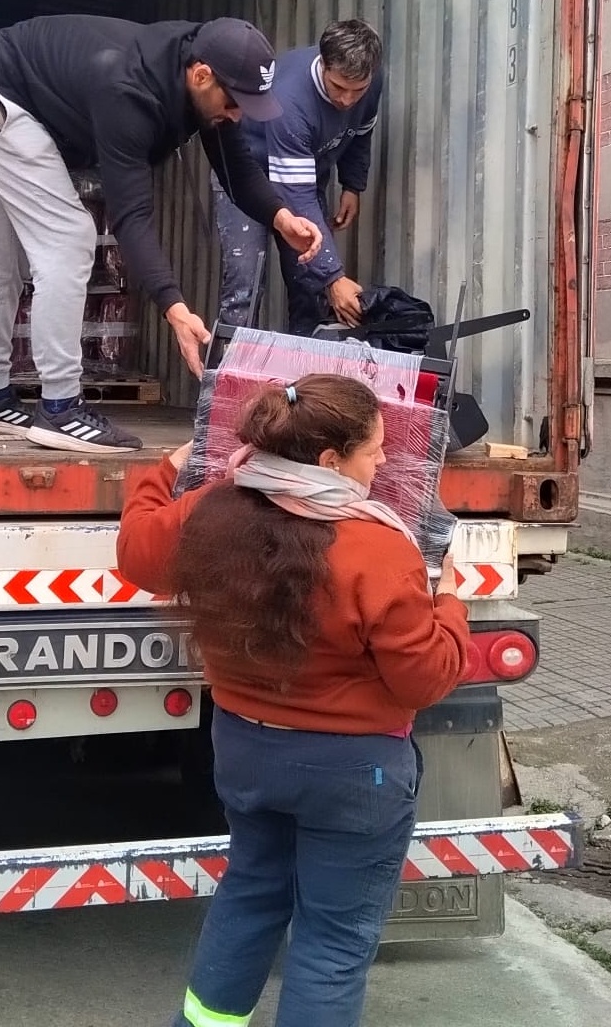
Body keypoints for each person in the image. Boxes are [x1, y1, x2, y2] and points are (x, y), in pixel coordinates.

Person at [116, 374, 468, 1027]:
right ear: (331, 461)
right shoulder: (376, 546)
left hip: (247, 751)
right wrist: (451, 604)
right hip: (354, 773)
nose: (385, 461)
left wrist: (163, 469)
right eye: (374, 451)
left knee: (250, 893)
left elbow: (137, 552)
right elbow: (423, 679)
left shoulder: (214, 507)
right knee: (331, 941)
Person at [0, 16, 325, 454]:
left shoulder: (203, 62)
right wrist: (175, 308)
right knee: (68, 239)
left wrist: (280, 217)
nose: (237, 116)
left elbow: (235, 164)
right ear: (201, 76)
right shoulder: (129, 93)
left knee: (3, 258)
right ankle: (61, 408)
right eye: (235, 103)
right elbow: (132, 215)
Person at [214, 19, 385, 336]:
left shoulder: (371, 81)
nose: (347, 100)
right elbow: (297, 197)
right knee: (245, 284)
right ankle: (225, 380)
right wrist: (333, 276)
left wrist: (352, 185)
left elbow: (361, 131)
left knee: (309, 287)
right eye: (338, 88)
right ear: (323, 65)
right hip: (247, 177)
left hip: (304, 173)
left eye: (356, 91)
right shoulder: (289, 100)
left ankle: (306, 384)